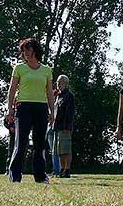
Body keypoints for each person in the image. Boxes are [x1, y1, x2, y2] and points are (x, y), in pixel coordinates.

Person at [6, 38, 54, 183]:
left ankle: (40, 176)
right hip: (23, 107)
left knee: (40, 144)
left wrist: (52, 111)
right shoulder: (19, 68)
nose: (25, 52)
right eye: (23, 50)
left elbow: (50, 92)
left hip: (41, 107)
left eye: (28, 49)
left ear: (35, 50)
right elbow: (12, 89)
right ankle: (15, 175)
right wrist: (10, 110)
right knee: (21, 143)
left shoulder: (46, 70)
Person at [53, 75, 75, 178]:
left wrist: (67, 127)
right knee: (59, 150)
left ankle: (67, 170)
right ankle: (62, 169)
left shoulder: (69, 96)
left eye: (60, 82)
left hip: (65, 127)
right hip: (57, 126)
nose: (58, 84)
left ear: (66, 83)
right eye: (57, 82)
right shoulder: (58, 96)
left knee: (66, 149)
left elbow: (70, 113)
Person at [47, 88, 61, 177]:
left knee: (56, 150)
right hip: (49, 129)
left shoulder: (57, 104)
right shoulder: (49, 105)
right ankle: (55, 170)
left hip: (56, 128)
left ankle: (58, 170)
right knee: (53, 150)